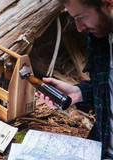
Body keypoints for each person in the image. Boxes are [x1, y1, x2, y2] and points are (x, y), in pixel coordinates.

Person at [36, 0, 113, 159]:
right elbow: (106, 87)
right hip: (100, 148)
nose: (79, 28)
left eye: (82, 17)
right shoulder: (100, 35)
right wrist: (79, 93)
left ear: (109, 4)